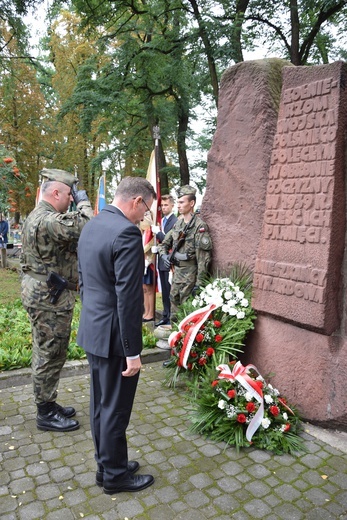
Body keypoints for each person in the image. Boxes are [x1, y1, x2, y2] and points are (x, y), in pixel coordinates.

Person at [77, 176, 156, 494]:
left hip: (94, 329)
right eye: (146, 209)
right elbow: (129, 298)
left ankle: (107, 464)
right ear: (136, 201)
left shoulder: (93, 224)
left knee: (100, 404)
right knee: (115, 408)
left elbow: (83, 278)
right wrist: (133, 352)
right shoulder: (125, 232)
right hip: (114, 338)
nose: (145, 216)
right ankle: (115, 477)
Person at [20, 168, 93, 432]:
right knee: (49, 353)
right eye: (69, 195)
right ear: (55, 192)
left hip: (46, 294)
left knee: (50, 351)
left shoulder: (40, 216)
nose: (71, 200)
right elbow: (86, 224)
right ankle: (45, 412)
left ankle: (48, 402)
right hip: (47, 299)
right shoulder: (48, 219)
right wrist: (84, 201)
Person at [158, 185, 212, 319]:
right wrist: (165, 256)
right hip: (177, 275)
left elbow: (203, 259)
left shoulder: (199, 226)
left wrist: (199, 284)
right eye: (178, 202)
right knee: (174, 313)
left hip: (190, 277)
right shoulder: (178, 224)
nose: (178, 205)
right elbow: (164, 244)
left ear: (192, 203)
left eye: (182, 202)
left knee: (188, 314)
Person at [151, 194, 177, 326]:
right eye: (162, 205)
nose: (163, 207)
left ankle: (171, 316)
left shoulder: (175, 221)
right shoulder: (162, 221)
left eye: (166, 205)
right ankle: (166, 315)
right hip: (161, 260)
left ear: (172, 205)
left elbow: (172, 240)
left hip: (169, 261)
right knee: (165, 291)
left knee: (170, 290)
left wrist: (159, 233)